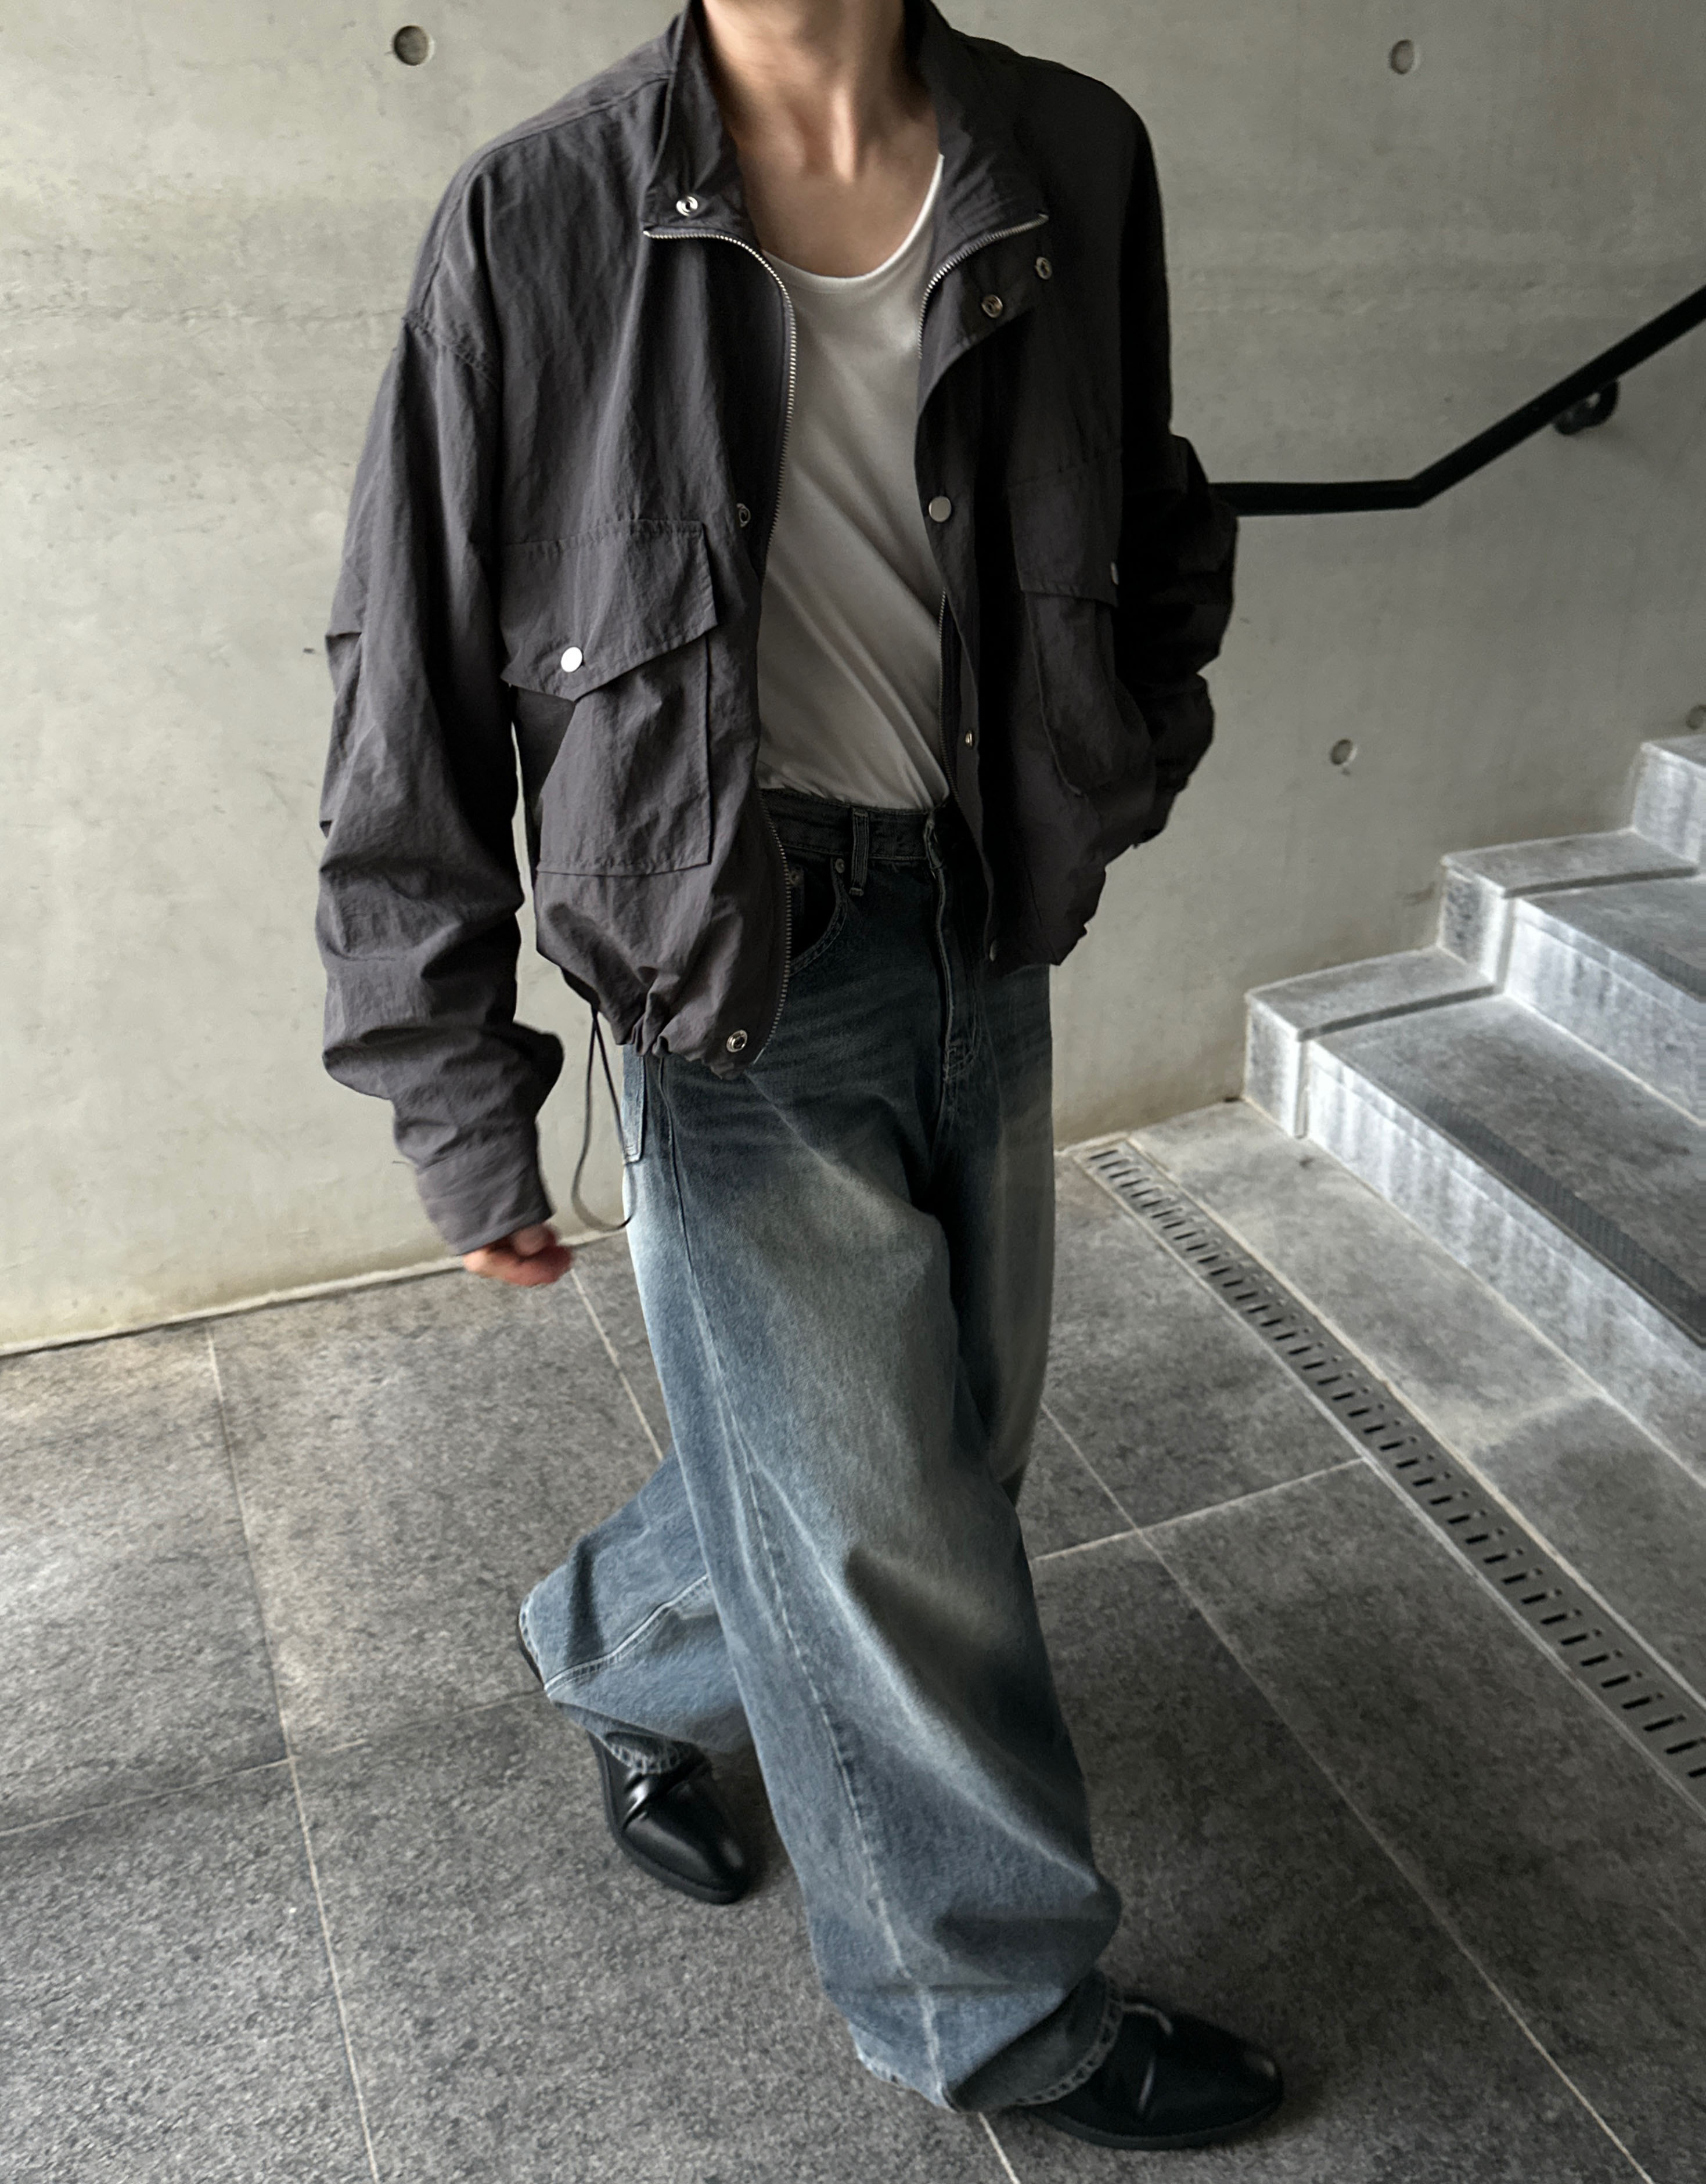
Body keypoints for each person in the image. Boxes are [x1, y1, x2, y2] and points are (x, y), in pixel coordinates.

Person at [317, 0, 1279, 2151]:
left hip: (980, 906)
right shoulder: (536, 215)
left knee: (937, 1452)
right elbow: (409, 661)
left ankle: (601, 1648)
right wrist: (458, 1089)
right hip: (731, 956)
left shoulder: (1072, 150)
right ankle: (990, 2004)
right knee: (880, 1523)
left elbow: (1137, 495)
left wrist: (1116, 747)